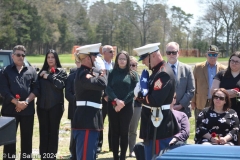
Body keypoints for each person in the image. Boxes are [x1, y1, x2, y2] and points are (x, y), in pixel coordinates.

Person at [133, 43, 179, 160]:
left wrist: (138, 96)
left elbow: (155, 101)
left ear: (152, 55)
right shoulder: (156, 71)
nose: (143, 62)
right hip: (153, 124)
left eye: (144, 58)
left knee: (157, 156)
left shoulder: (163, 73)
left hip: (159, 125)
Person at [0, 45, 39, 160]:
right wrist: (17, 103)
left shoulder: (31, 70)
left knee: (27, 139)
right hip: (9, 111)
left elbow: (36, 89)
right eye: (18, 55)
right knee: (9, 140)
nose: (21, 57)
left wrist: (25, 102)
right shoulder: (5, 71)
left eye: (23, 55)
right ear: (12, 56)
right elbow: (3, 90)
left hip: (27, 110)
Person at [72, 43, 107, 160]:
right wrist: (102, 70)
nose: (97, 59)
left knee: (90, 155)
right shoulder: (83, 74)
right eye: (95, 56)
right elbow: (102, 83)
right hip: (86, 120)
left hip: (91, 119)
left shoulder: (89, 72)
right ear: (88, 58)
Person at [106, 51, 138, 160]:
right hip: (113, 105)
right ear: (117, 60)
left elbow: (135, 90)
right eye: (120, 58)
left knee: (124, 132)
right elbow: (108, 88)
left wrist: (123, 102)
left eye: (124, 59)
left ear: (127, 60)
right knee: (115, 132)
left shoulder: (133, 74)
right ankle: (115, 156)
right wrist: (116, 101)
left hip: (127, 106)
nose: (122, 61)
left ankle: (123, 157)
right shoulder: (111, 72)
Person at [37, 49, 67, 159]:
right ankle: (43, 156)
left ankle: (51, 156)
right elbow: (36, 88)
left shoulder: (61, 72)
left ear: (56, 59)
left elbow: (61, 85)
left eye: (52, 57)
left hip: (55, 107)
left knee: (53, 132)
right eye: (48, 57)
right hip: (42, 107)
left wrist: (49, 77)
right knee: (43, 132)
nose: (50, 59)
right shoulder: (42, 72)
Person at [191, 45, 226, 124]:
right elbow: (193, 85)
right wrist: (192, 101)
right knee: (200, 125)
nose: (212, 57)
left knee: (215, 125)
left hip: (217, 101)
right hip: (201, 101)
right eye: (210, 54)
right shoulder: (198, 67)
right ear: (206, 54)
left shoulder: (223, 69)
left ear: (218, 55)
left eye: (214, 55)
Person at [166, 42, 195, 118]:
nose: (171, 55)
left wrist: (181, 105)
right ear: (166, 54)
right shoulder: (161, 70)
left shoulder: (187, 69)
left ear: (178, 53)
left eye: (174, 52)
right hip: (165, 110)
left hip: (183, 110)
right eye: (169, 52)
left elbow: (191, 90)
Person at [97, 45, 115, 153]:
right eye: (110, 51)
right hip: (102, 99)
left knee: (113, 123)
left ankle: (112, 145)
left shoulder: (115, 65)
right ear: (104, 53)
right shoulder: (99, 64)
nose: (113, 53)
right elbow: (99, 82)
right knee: (100, 123)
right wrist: (104, 95)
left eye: (113, 51)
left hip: (113, 99)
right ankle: (99, 145)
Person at [65, 60, 81, 160]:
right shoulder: (71, 76)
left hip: (86, 109)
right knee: (74, 132)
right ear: (76, 62)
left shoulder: (90, 75)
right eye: (78, 61)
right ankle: (73, 152)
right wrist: (76, 101)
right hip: (74, 108)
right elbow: (67, 93)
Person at [128, 56, 141, 157]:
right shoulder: (123, 77)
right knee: (123, 129)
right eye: (130, 65)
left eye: (134, 65)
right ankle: (122, 148)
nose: (132, 67)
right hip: (125, 105)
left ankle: (132, 149)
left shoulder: (140, 77)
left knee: (133, 129)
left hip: (137, 106)